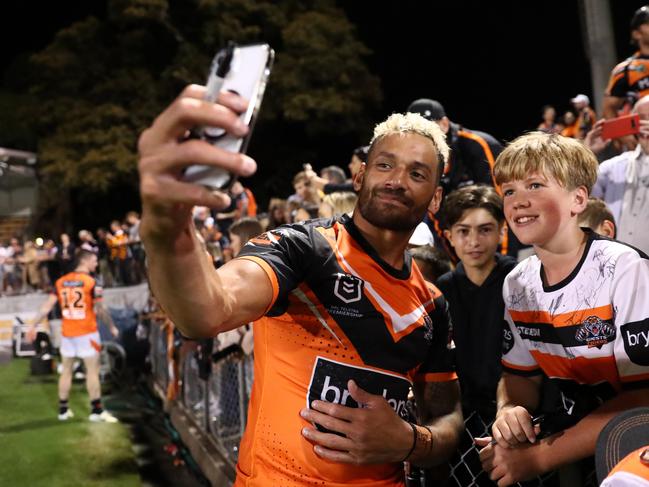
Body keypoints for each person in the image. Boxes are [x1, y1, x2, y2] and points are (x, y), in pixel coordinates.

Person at [138, 84, 463, 486]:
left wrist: (410, 441)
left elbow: (447, 416)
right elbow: (207, 310)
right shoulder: (303, 249)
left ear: (434, 200)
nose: (397, 180)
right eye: (385, 165)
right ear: (359, 177)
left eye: (417, 173)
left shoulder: (431, 303)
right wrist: (167, 227)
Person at [475, 132, 649, 486]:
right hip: (578, 445)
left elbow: (642, 400)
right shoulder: (518, 282)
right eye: (509, 191)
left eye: (535, 185)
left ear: (578, 199)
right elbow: (520, 379)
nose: (518, 201)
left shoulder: (624, 268)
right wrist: (509, 412)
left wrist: (539, 457)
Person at [436, 185, 517, 422]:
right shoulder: (443, 289)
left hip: (514, 409)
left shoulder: (519, 279)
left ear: (502, 231)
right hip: (460, 414)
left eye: (485, 230)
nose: (474, 241)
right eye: (463, 231)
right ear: (449, 236)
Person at [26, 250, 119, 423]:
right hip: (87, 333)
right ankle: (97, 411)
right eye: (94, 261)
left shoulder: (61, 282)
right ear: (85, 261)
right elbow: (100, 309)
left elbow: (46, 308)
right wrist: (112, 326)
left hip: (68, 333)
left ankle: (63, 410)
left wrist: (32, 325)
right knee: (92, 371)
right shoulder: (92, 282)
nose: (96, 264)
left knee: (66, 371)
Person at [592, 94, 649, 255]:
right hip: (618, 269)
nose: (646, 125)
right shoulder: (615, 166)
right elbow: (580, 191)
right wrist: (586, 152)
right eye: (641, 119)